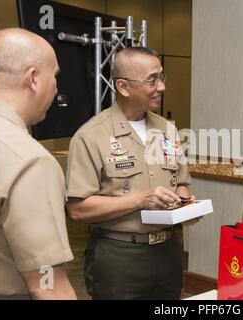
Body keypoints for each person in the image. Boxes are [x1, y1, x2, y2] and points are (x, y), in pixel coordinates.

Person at [66, 47, 195, 300]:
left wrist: (186, 205)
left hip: (168, 252)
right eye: (152, 80)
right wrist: (140, 200)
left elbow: (181, 183)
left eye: (162, 77)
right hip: (119, 256)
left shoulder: (167, 130)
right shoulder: (91, 136)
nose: (161, 87)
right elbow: (78, 209)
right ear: (123, 87)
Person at [0, 29, 76, 300]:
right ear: (32, 79)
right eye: (54, 77)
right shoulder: (30, 161)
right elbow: (47, 283)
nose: (56, 87)